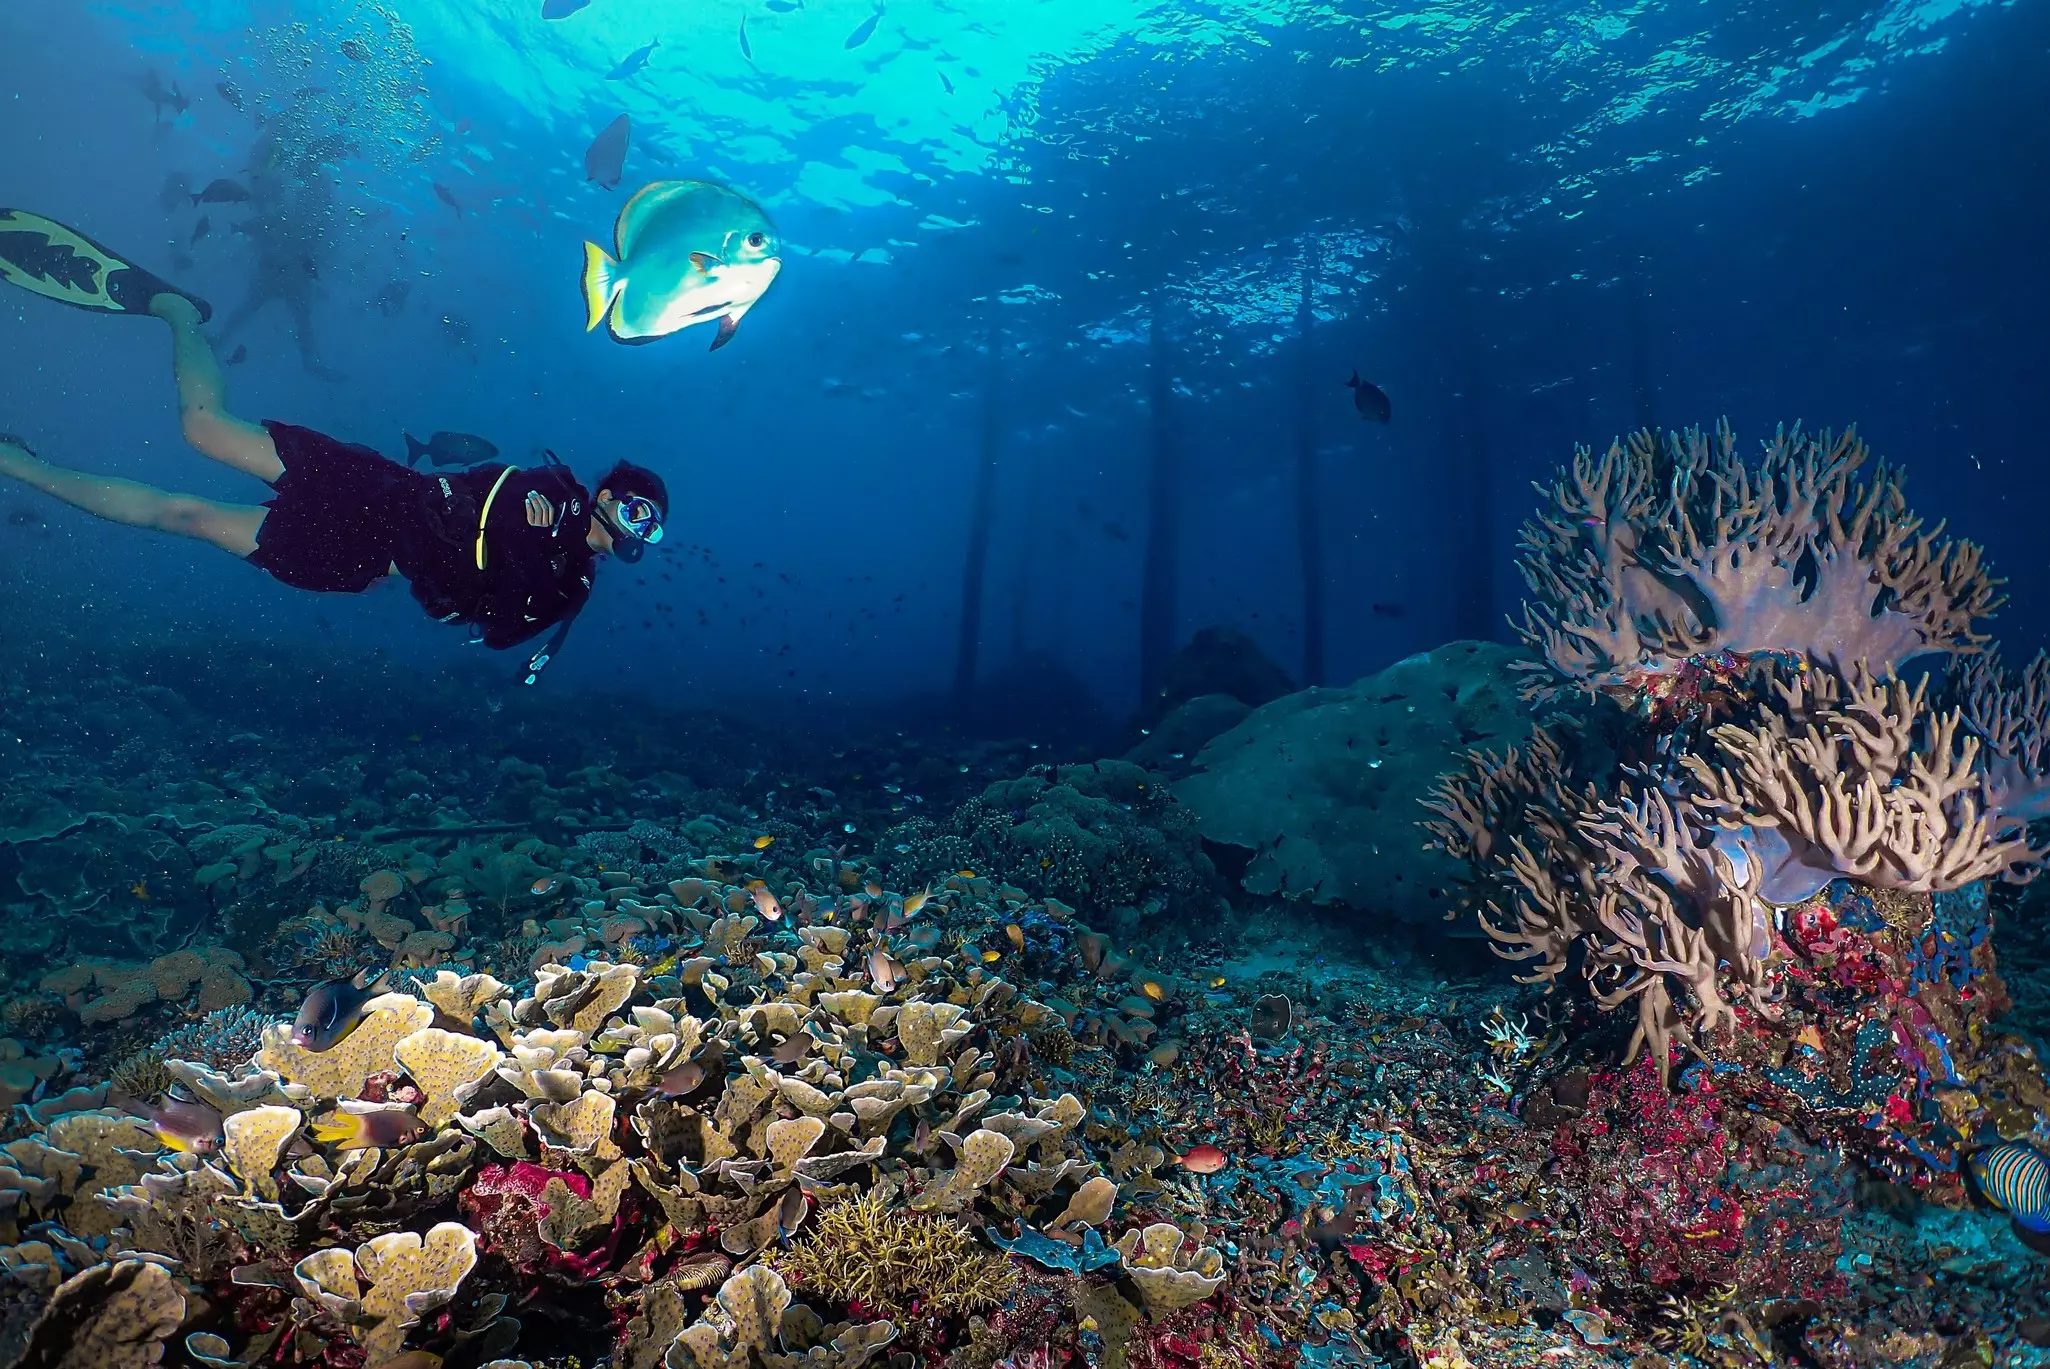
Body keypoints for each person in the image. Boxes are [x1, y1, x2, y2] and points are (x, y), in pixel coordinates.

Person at [0, 211, 666, 683]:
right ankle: (177, 308)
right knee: (203, 428)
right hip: (376, 486)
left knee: (187, 517)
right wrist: (518, 552)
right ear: (608, 496)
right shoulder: (552, 488)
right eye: (638, 511)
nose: (638, 531)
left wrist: (522, 564)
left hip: (361, 557)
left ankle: (19, 461)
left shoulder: (573, 590)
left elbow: (490, 629)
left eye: (650, 528)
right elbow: (489, 502)